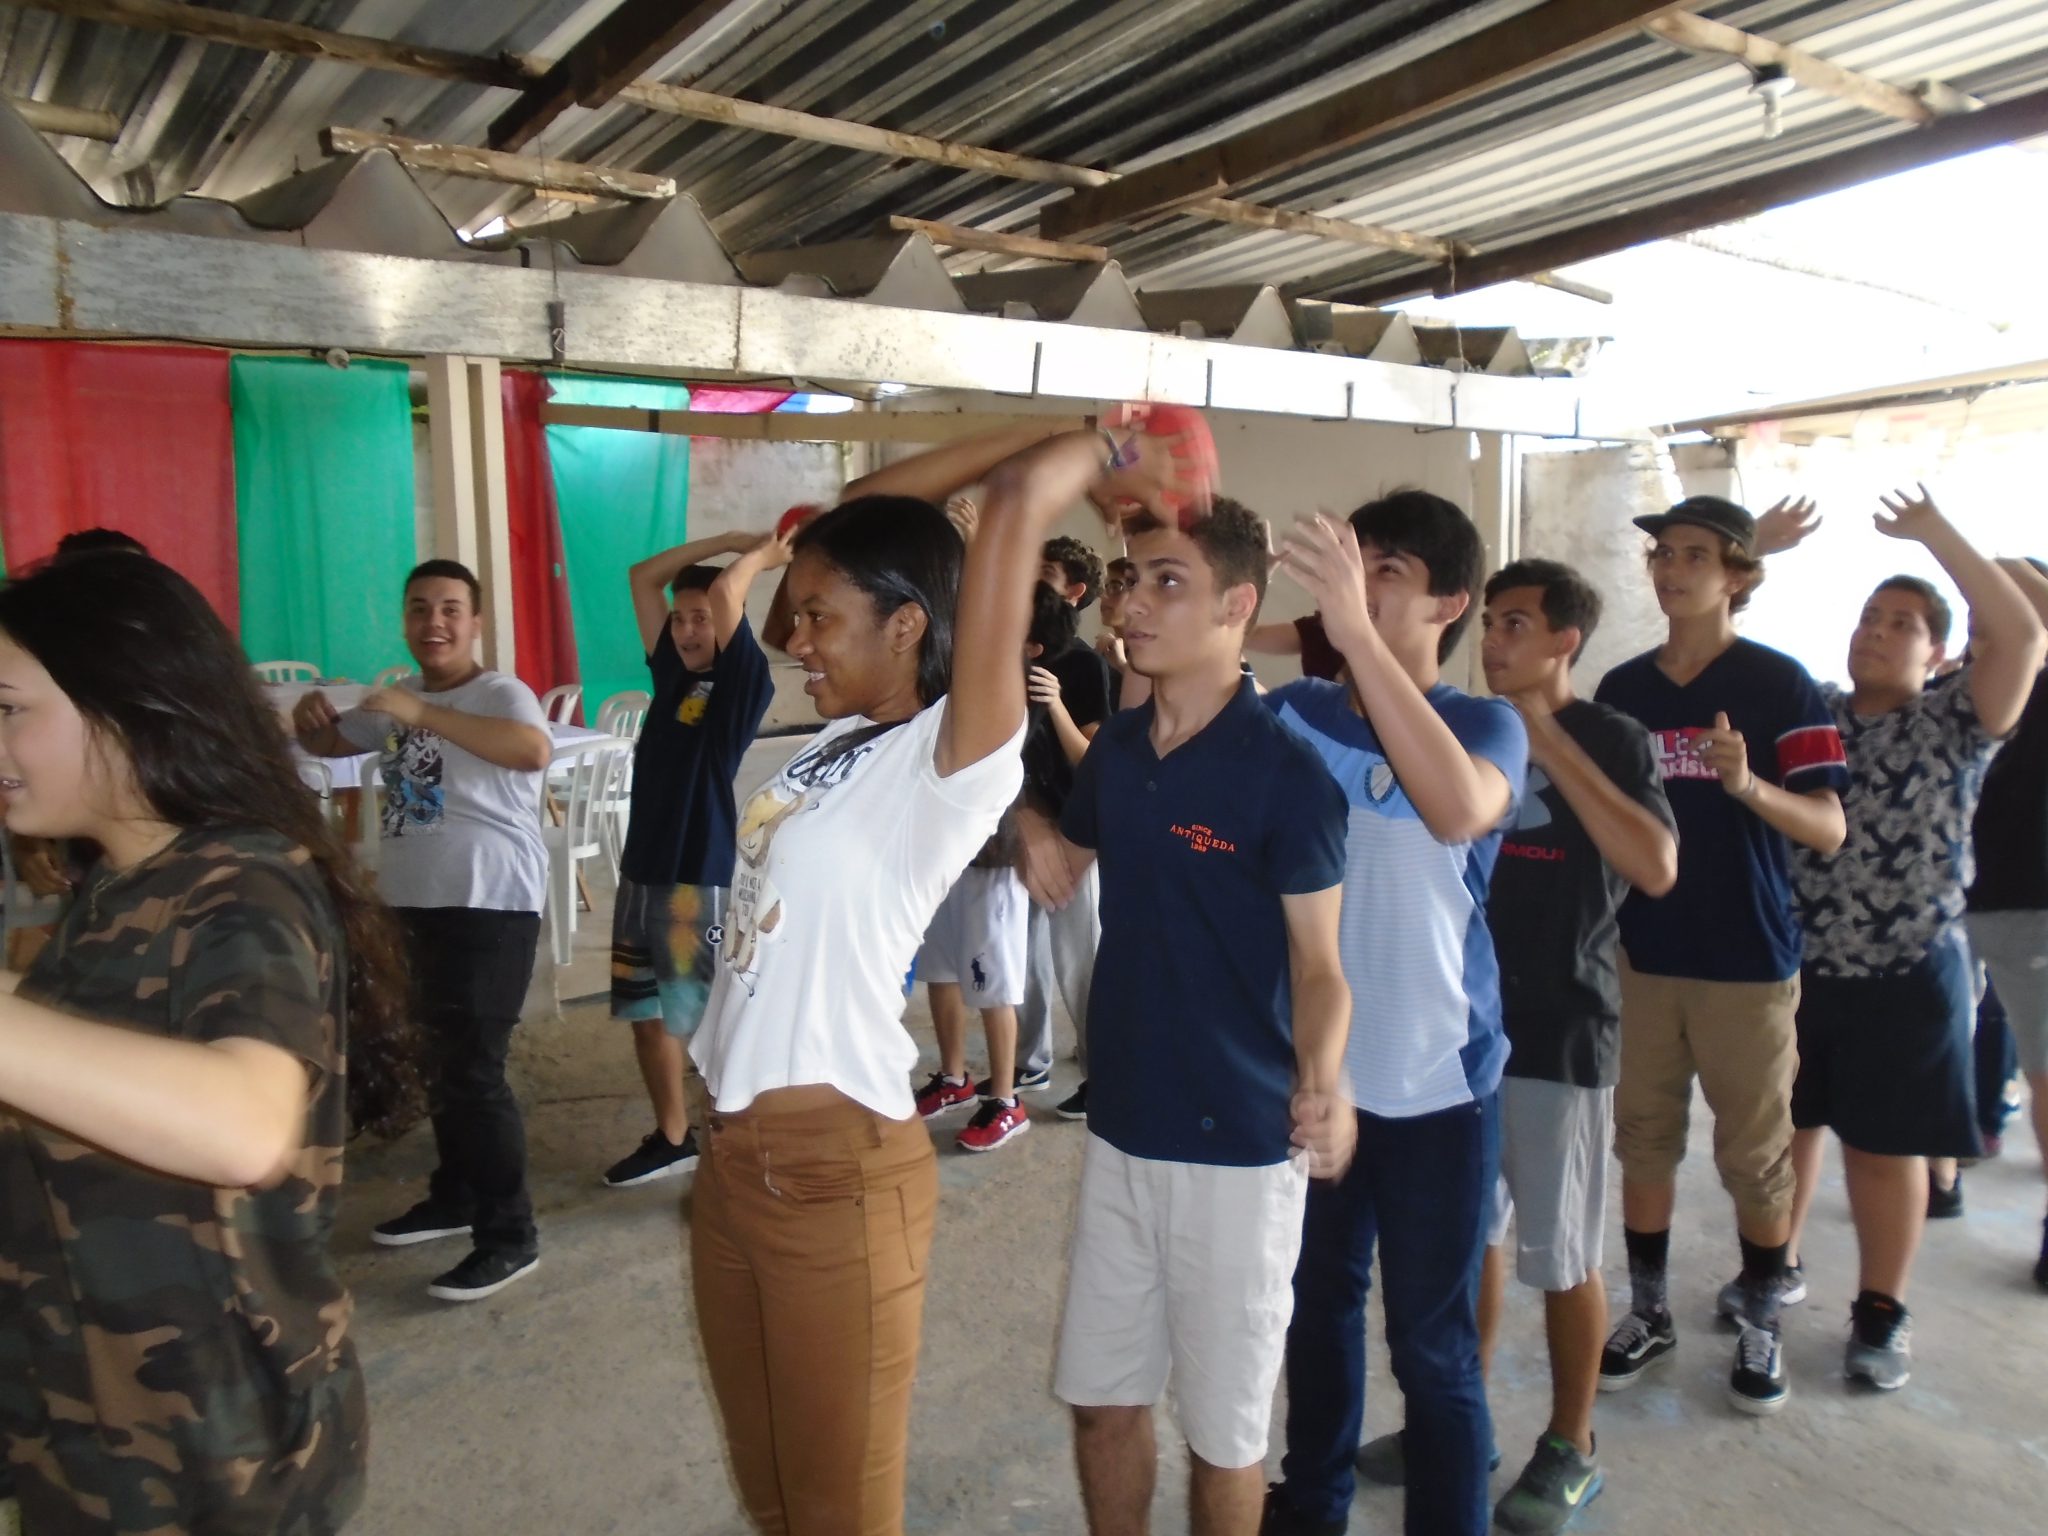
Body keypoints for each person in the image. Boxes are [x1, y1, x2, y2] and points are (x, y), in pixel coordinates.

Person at [688, 411, 1214, 1536]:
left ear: (907, 625)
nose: (796, 639)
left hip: (833, 1172)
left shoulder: (950, 760)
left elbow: (1017, 507)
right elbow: (851, 517)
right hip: (730, 1158)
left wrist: (1106, 443)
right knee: (772, 1498)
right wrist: (1048, 425)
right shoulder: (837, 743)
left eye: (820, 618)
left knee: (840, 1512)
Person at [0, 551, 415, 1534]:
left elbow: (242, 1124)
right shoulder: (120, 881)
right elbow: (90, 1037)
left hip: (214, 1459)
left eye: (9, 709)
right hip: (87, 1426)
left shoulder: (244, 884)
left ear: (123, 707)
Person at [1020, 496, 1352, 1536]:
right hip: (1122, 1128)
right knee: (1101, 1403)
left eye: (1168, 581)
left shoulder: (1287, 775)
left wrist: (1324, 1082)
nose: (1133, 603)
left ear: (1236, 606)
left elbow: (1320, 968)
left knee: (1224, 1437)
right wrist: (1026, 827)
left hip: (1238, 1151)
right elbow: (1065, 851)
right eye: (1130, 579)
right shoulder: (1118, 751)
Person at [1258, 494, 1528, 1536]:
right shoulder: (1297, 716)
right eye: (1351, 563)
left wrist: (1354, 638)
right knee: (1317, 1308)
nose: (1356, 587)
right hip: (1320, 1078)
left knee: (1431, 1348)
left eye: (1386, 572)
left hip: (1437, 1089)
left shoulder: (1484, 726)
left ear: (1448, 603)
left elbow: (1457, 809)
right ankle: (1313, 1502)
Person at [1781, 487, 2043, 1389]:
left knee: (1883, 1149)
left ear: (1938, 653)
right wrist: (1756, 549)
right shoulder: (1812, 711)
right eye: (1869, 617)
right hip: (1800, 966)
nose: (1879, 632)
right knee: (1786, 1129)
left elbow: (2023, 635)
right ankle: (1773, 1269)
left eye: (1903, 624)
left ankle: (1880, 1311)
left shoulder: (1957, 720)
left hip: (1908, 967)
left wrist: (1934, 534)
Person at [1592, 495, 1848, 1416]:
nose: (1671, 568)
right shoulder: (1623, 689)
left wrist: (1747, 785)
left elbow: (1828, 826)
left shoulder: (1782, 685)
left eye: (1694, 554)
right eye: (1662, 552)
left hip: (1749, 960)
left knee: (1756, 1154)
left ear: (1738, 575)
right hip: (1645, 954)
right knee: (1644, 1137)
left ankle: (1762, 1317)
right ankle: (1650, 1310)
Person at [1466, 560, 1676, 1533]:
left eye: (1514, 623)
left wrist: (1545, 736)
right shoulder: (1470, 729)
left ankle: (1571, 1444)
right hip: (1464, 1030)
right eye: (1488, 621)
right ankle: (1459, 1420)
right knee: (1470, 1240)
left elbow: (1654, 865)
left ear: (1565, 641)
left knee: (1562, 1256)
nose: (1491, 639)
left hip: (1560, 1028)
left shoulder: (1612, 737)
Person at [294, 560, 553, 1303]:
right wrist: (311, 721)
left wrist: (422, 714)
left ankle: (510, 1236)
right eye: (419, 608)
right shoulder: (399, 700)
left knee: (474, 1071)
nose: (433, 622)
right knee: (435, 1059)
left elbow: (533, 751)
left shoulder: (499, 694)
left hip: (489, 902)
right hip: (413, 904)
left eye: (449, 609)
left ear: (474, 623)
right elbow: (331, 745)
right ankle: (456, 1195)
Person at [601, 526, 786, 1187]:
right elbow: (642, 578)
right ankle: (675, 1138)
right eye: (679, 619)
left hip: (695, 879)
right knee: (646, 1014)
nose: (685, 630)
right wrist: (723, 538)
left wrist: (758, 555)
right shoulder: (673, 675)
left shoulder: (743, 684)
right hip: (642, 872)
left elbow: (731, 591)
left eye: (700, 619)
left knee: (705, 1021)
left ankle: (732, 1142)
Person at [912, 583, 1078, 1153]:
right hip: (947, 853)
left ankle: (1006, 1100)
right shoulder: (967, 675)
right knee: (940, 969)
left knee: (994, 985)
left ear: (1032, 648)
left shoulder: (1022, 695)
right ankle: (953, 1077)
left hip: (993, 860)